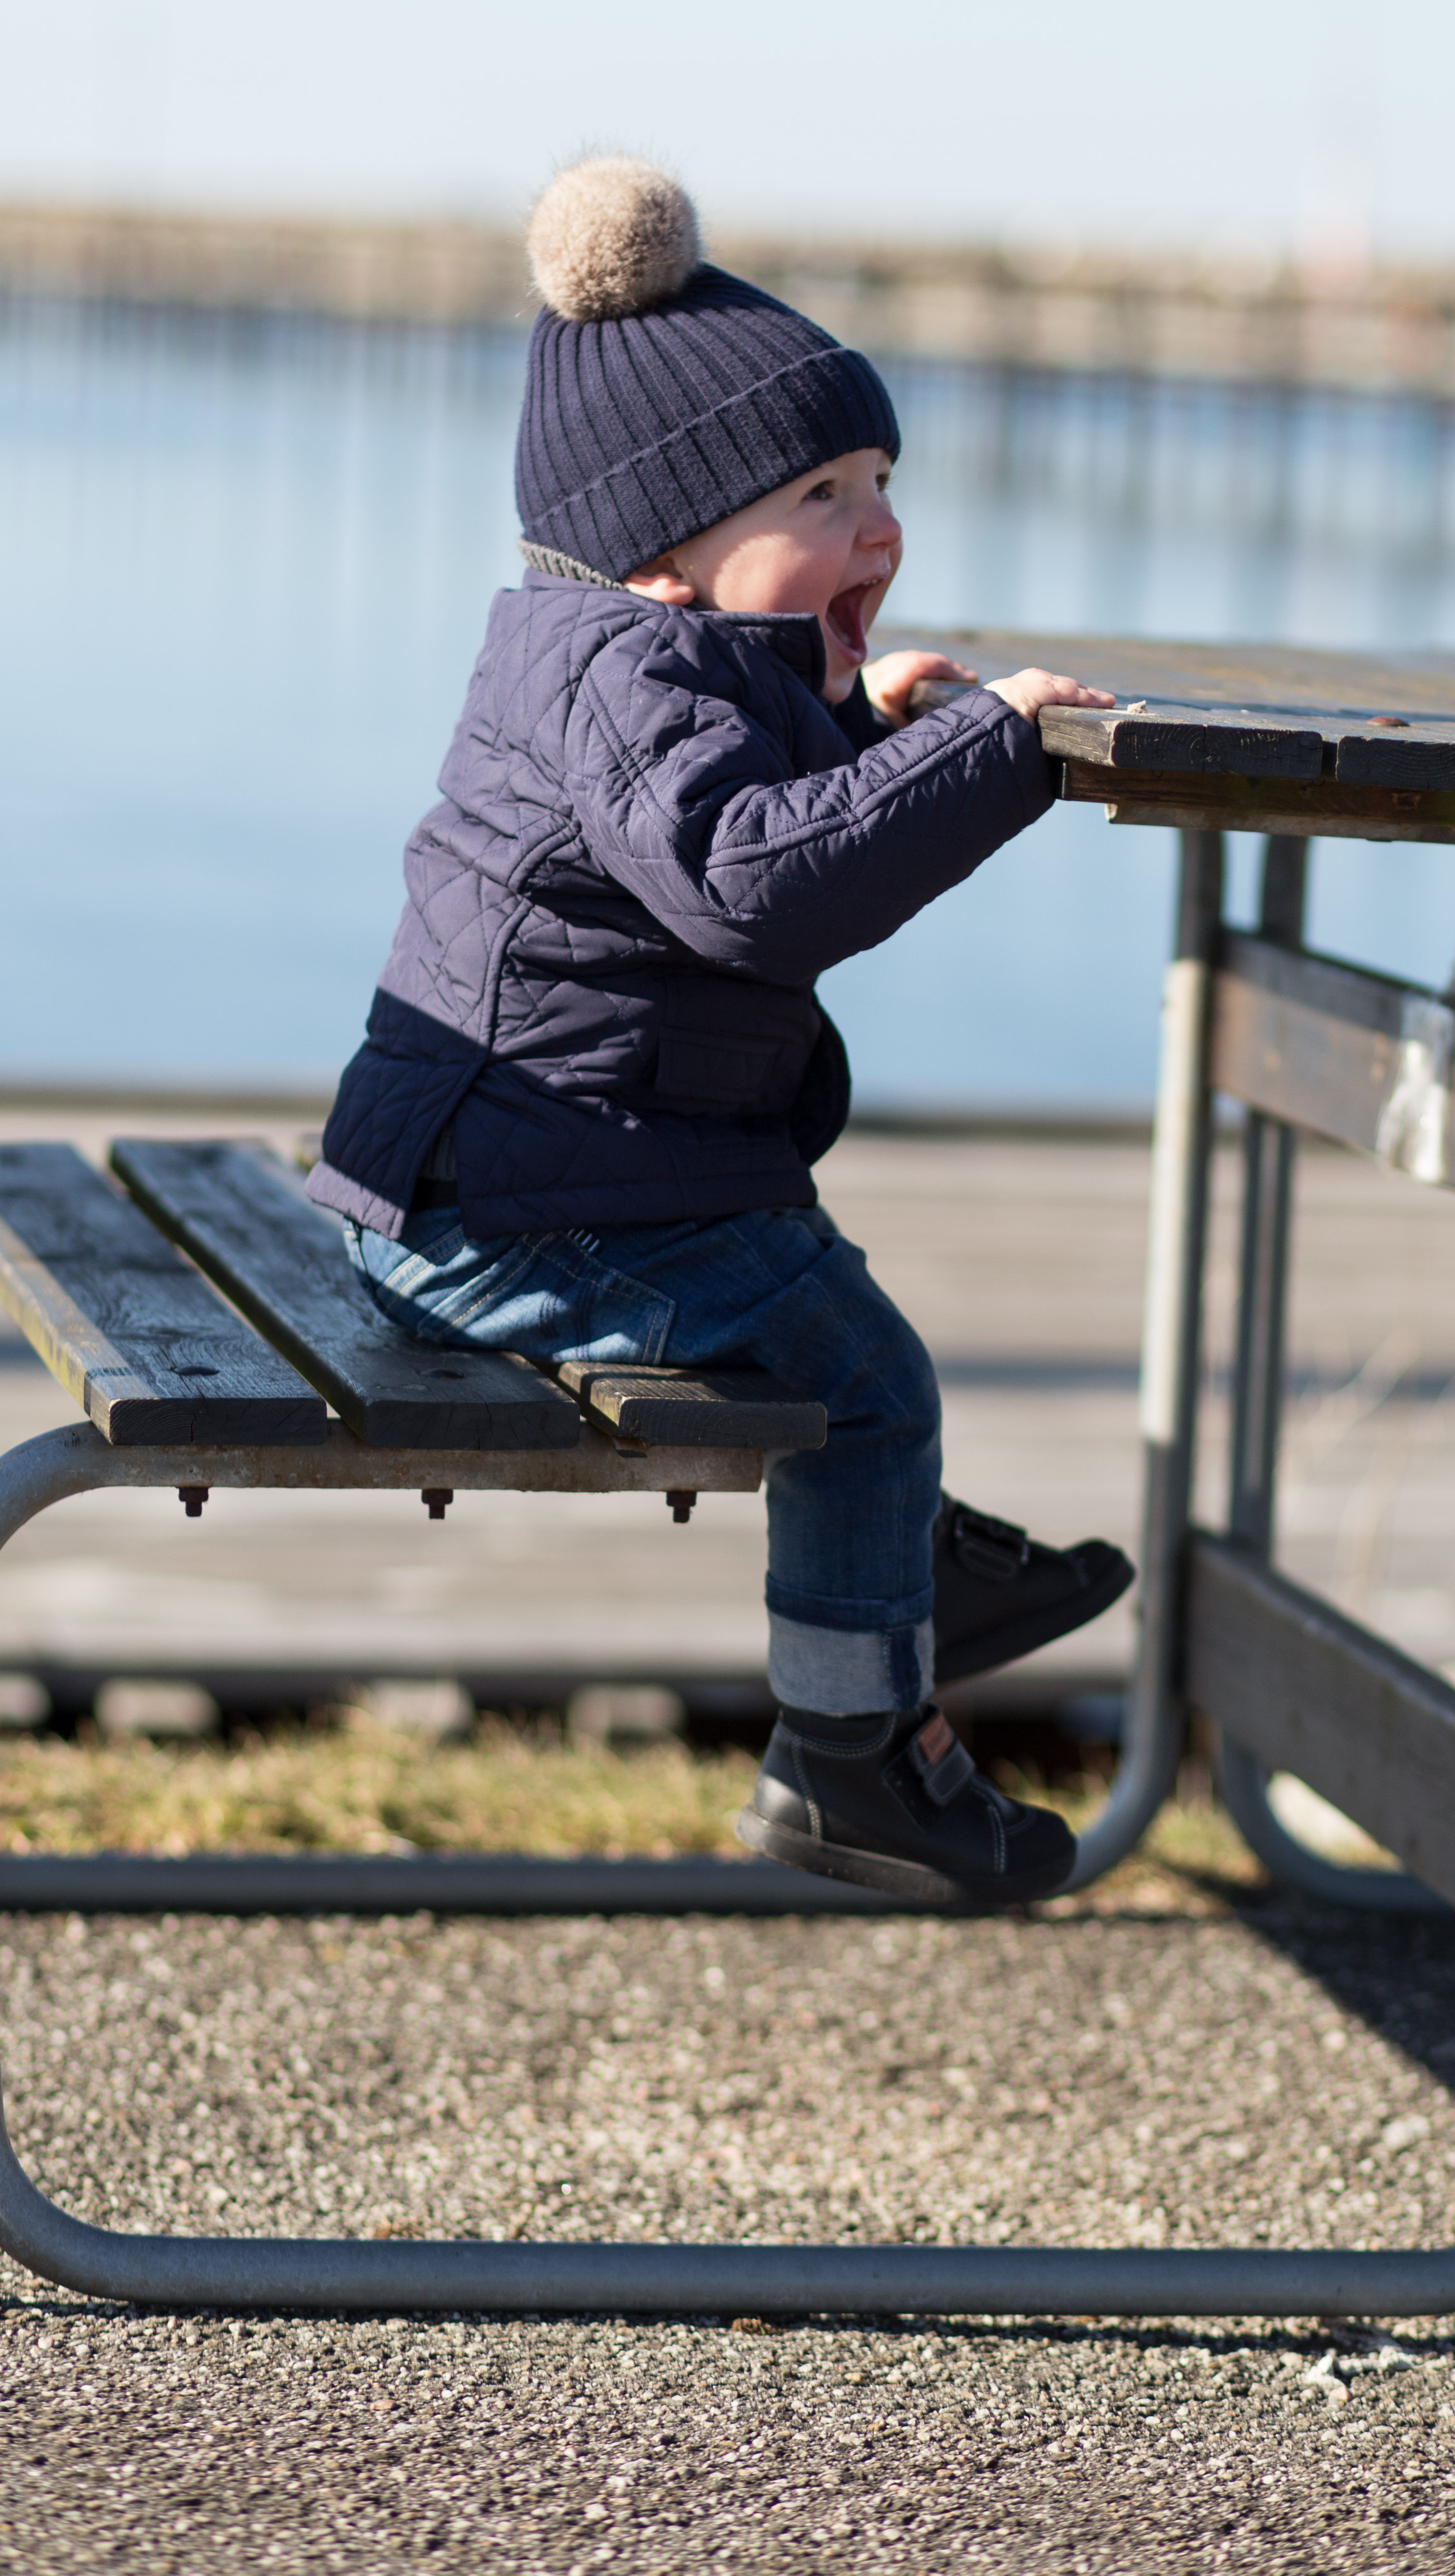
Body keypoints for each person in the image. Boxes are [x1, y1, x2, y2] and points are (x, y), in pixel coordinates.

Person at [307, 156, 1133, 1907]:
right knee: (863, 1378)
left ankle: (902, 1577)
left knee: (807, 1298)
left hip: (528, 1177)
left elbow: (716, 837)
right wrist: (981, 752)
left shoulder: (626, 659)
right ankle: (852, 1754)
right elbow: (754, 887)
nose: (878, 532)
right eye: (823, 495)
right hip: (506, 1220)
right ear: (662, 554)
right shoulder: (624, 675)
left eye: (882, 485)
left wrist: (865, 727)